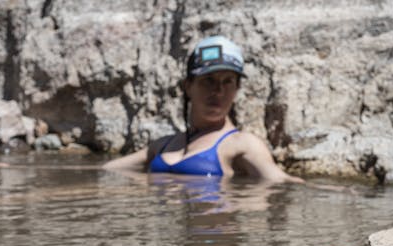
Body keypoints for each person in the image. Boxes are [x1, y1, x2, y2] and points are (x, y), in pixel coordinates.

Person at [103, 35, 309, 184]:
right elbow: (105, 172)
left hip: (214, 235)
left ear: (237, 88)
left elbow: (282, 182)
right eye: (208, 80)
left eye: (227, 81)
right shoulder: (164, 145)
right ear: (188, 86)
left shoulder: (242, 144)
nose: (218, 91)